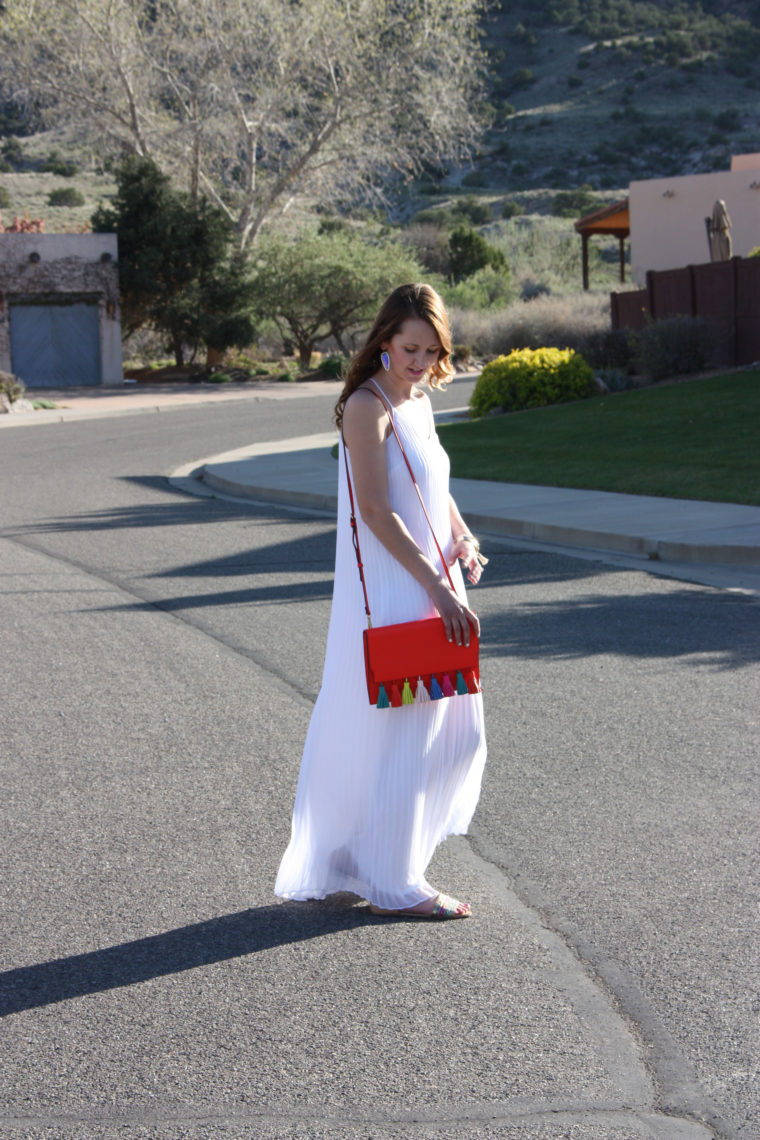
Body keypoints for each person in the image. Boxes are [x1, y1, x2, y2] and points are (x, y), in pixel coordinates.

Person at [275, 283, 487, 919]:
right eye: (408, 348)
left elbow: (431, 484)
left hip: (431, 579)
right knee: (407, 731)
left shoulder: (416, 402)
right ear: (384, 342)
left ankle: (355, 855)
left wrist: (463, 535)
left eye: (430, 350)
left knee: (451, 729)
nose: (419, 361)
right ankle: (396, 883)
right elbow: (374, 508)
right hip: (400, 589)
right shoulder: (367, 407)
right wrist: (432, 587)